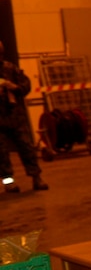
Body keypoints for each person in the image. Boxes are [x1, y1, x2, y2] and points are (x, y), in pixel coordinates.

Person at [0, 41, 47, 193]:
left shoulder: (10, 68)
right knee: (1, 153)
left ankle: (36, 178)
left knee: (27, 148)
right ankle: (8, 182)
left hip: (15, 117)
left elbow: (25, 84)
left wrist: (16, 88)